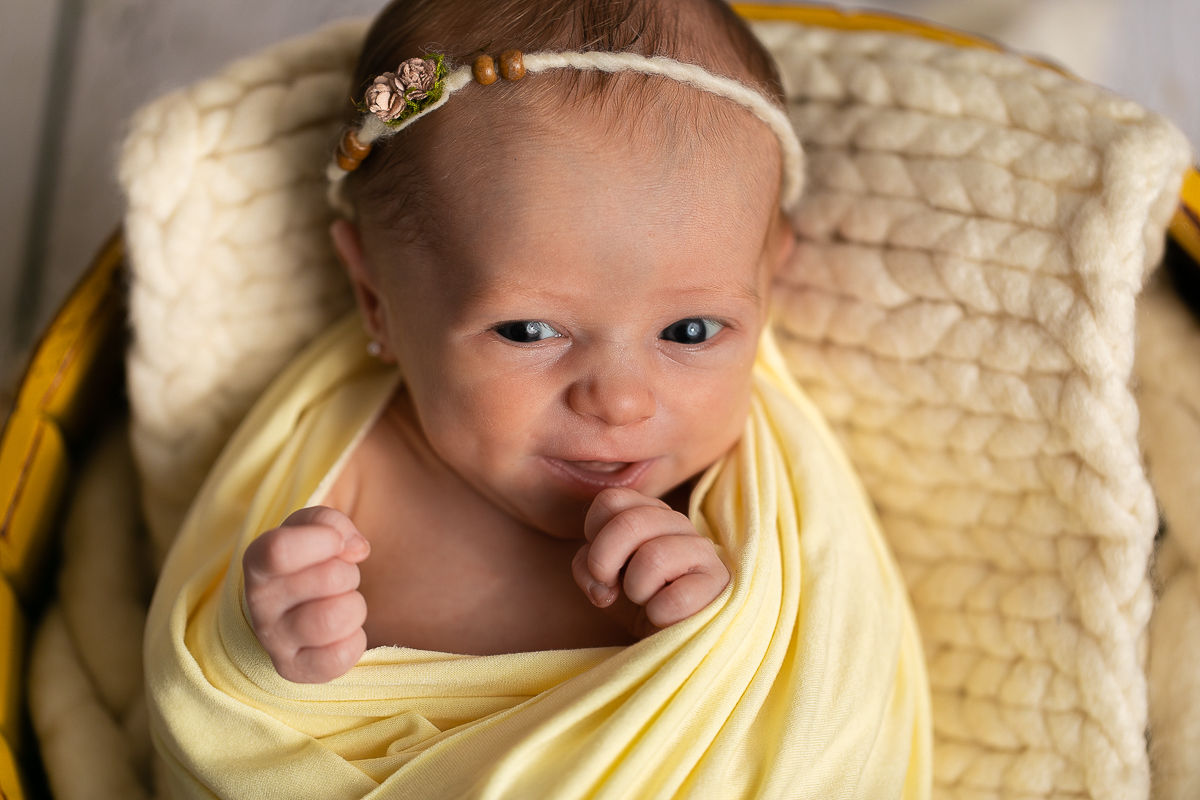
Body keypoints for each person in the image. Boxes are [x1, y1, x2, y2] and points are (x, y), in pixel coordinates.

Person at [145, 0, 930, 796]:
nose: (620, 401)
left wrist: (709, 636)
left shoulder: (745, 511)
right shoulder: (344, 477)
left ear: (768, 280)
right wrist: (270, 641)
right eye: (527, 330)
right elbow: (226, 724)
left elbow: (807, 723)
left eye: (691, 331)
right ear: (375, 298)